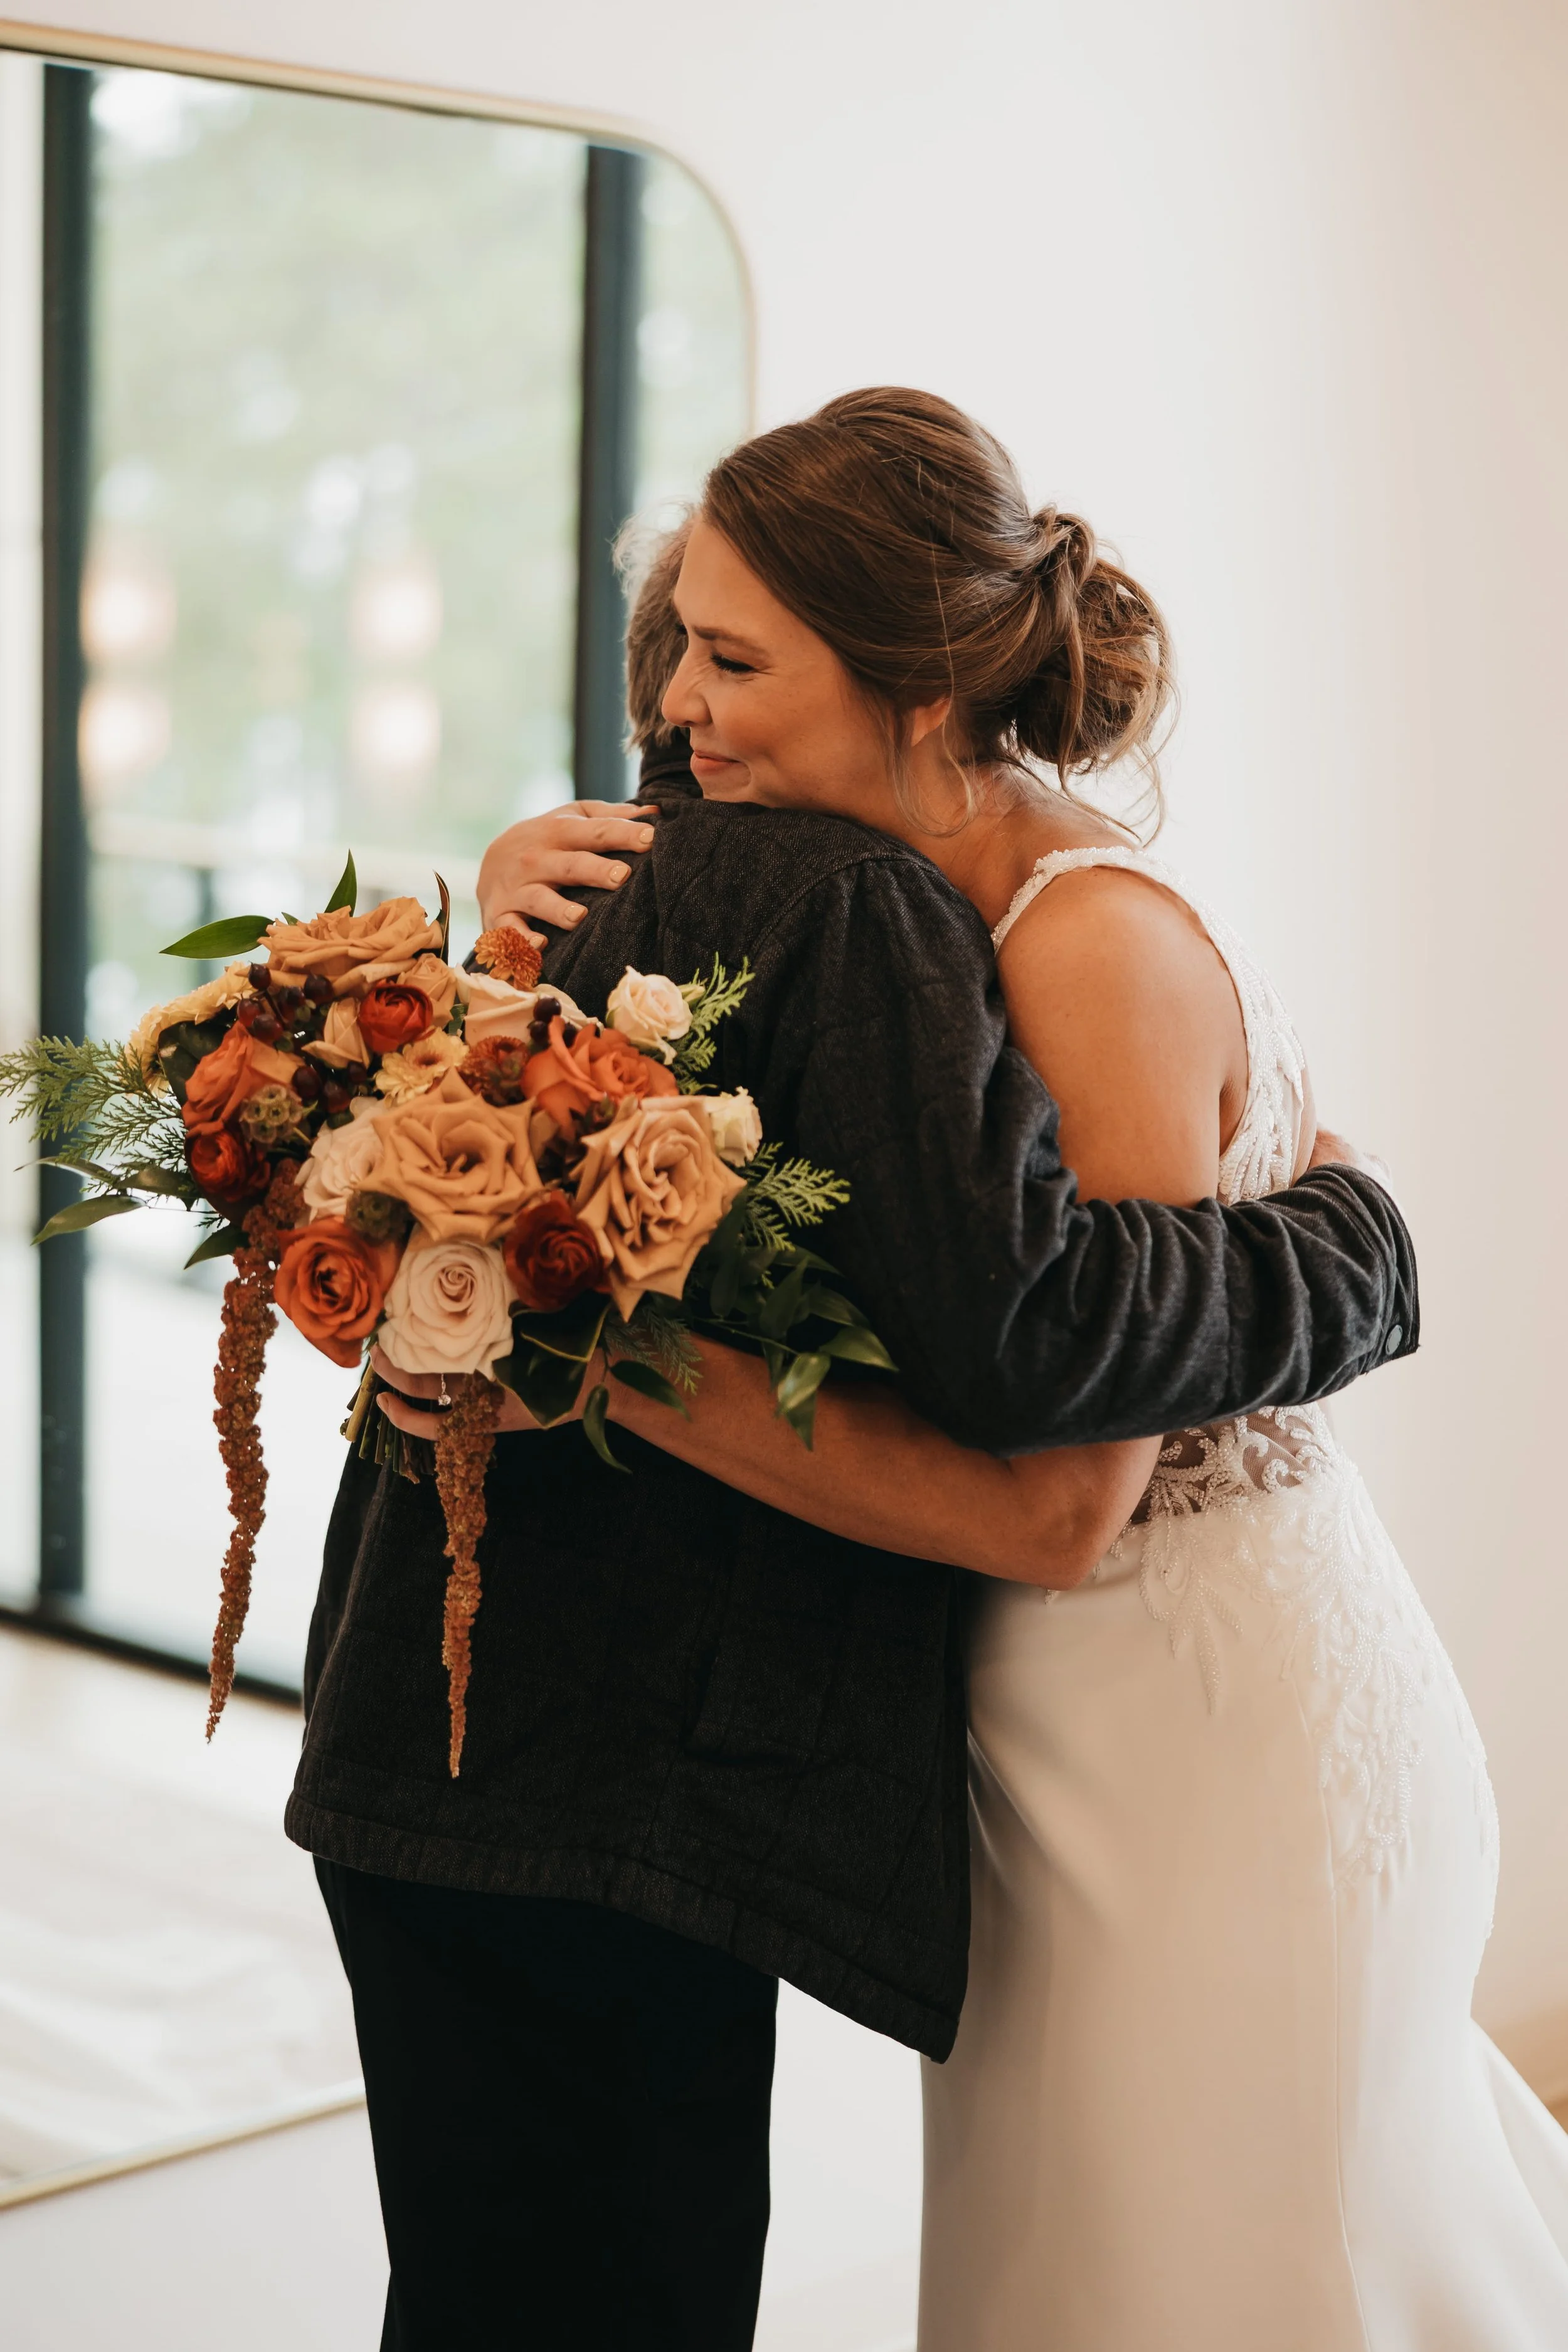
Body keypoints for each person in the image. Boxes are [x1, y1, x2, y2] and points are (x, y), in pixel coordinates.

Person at [415, 390, 1568, 2348]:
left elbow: (1058, 1508)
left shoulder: (1076, 943)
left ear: (921, 685)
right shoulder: (880, 912)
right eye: (684, 643)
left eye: (732, 660)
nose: (677, 704)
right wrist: (511, 896)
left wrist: (603, 1369)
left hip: (1195, 1742)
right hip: (1045, 1756)